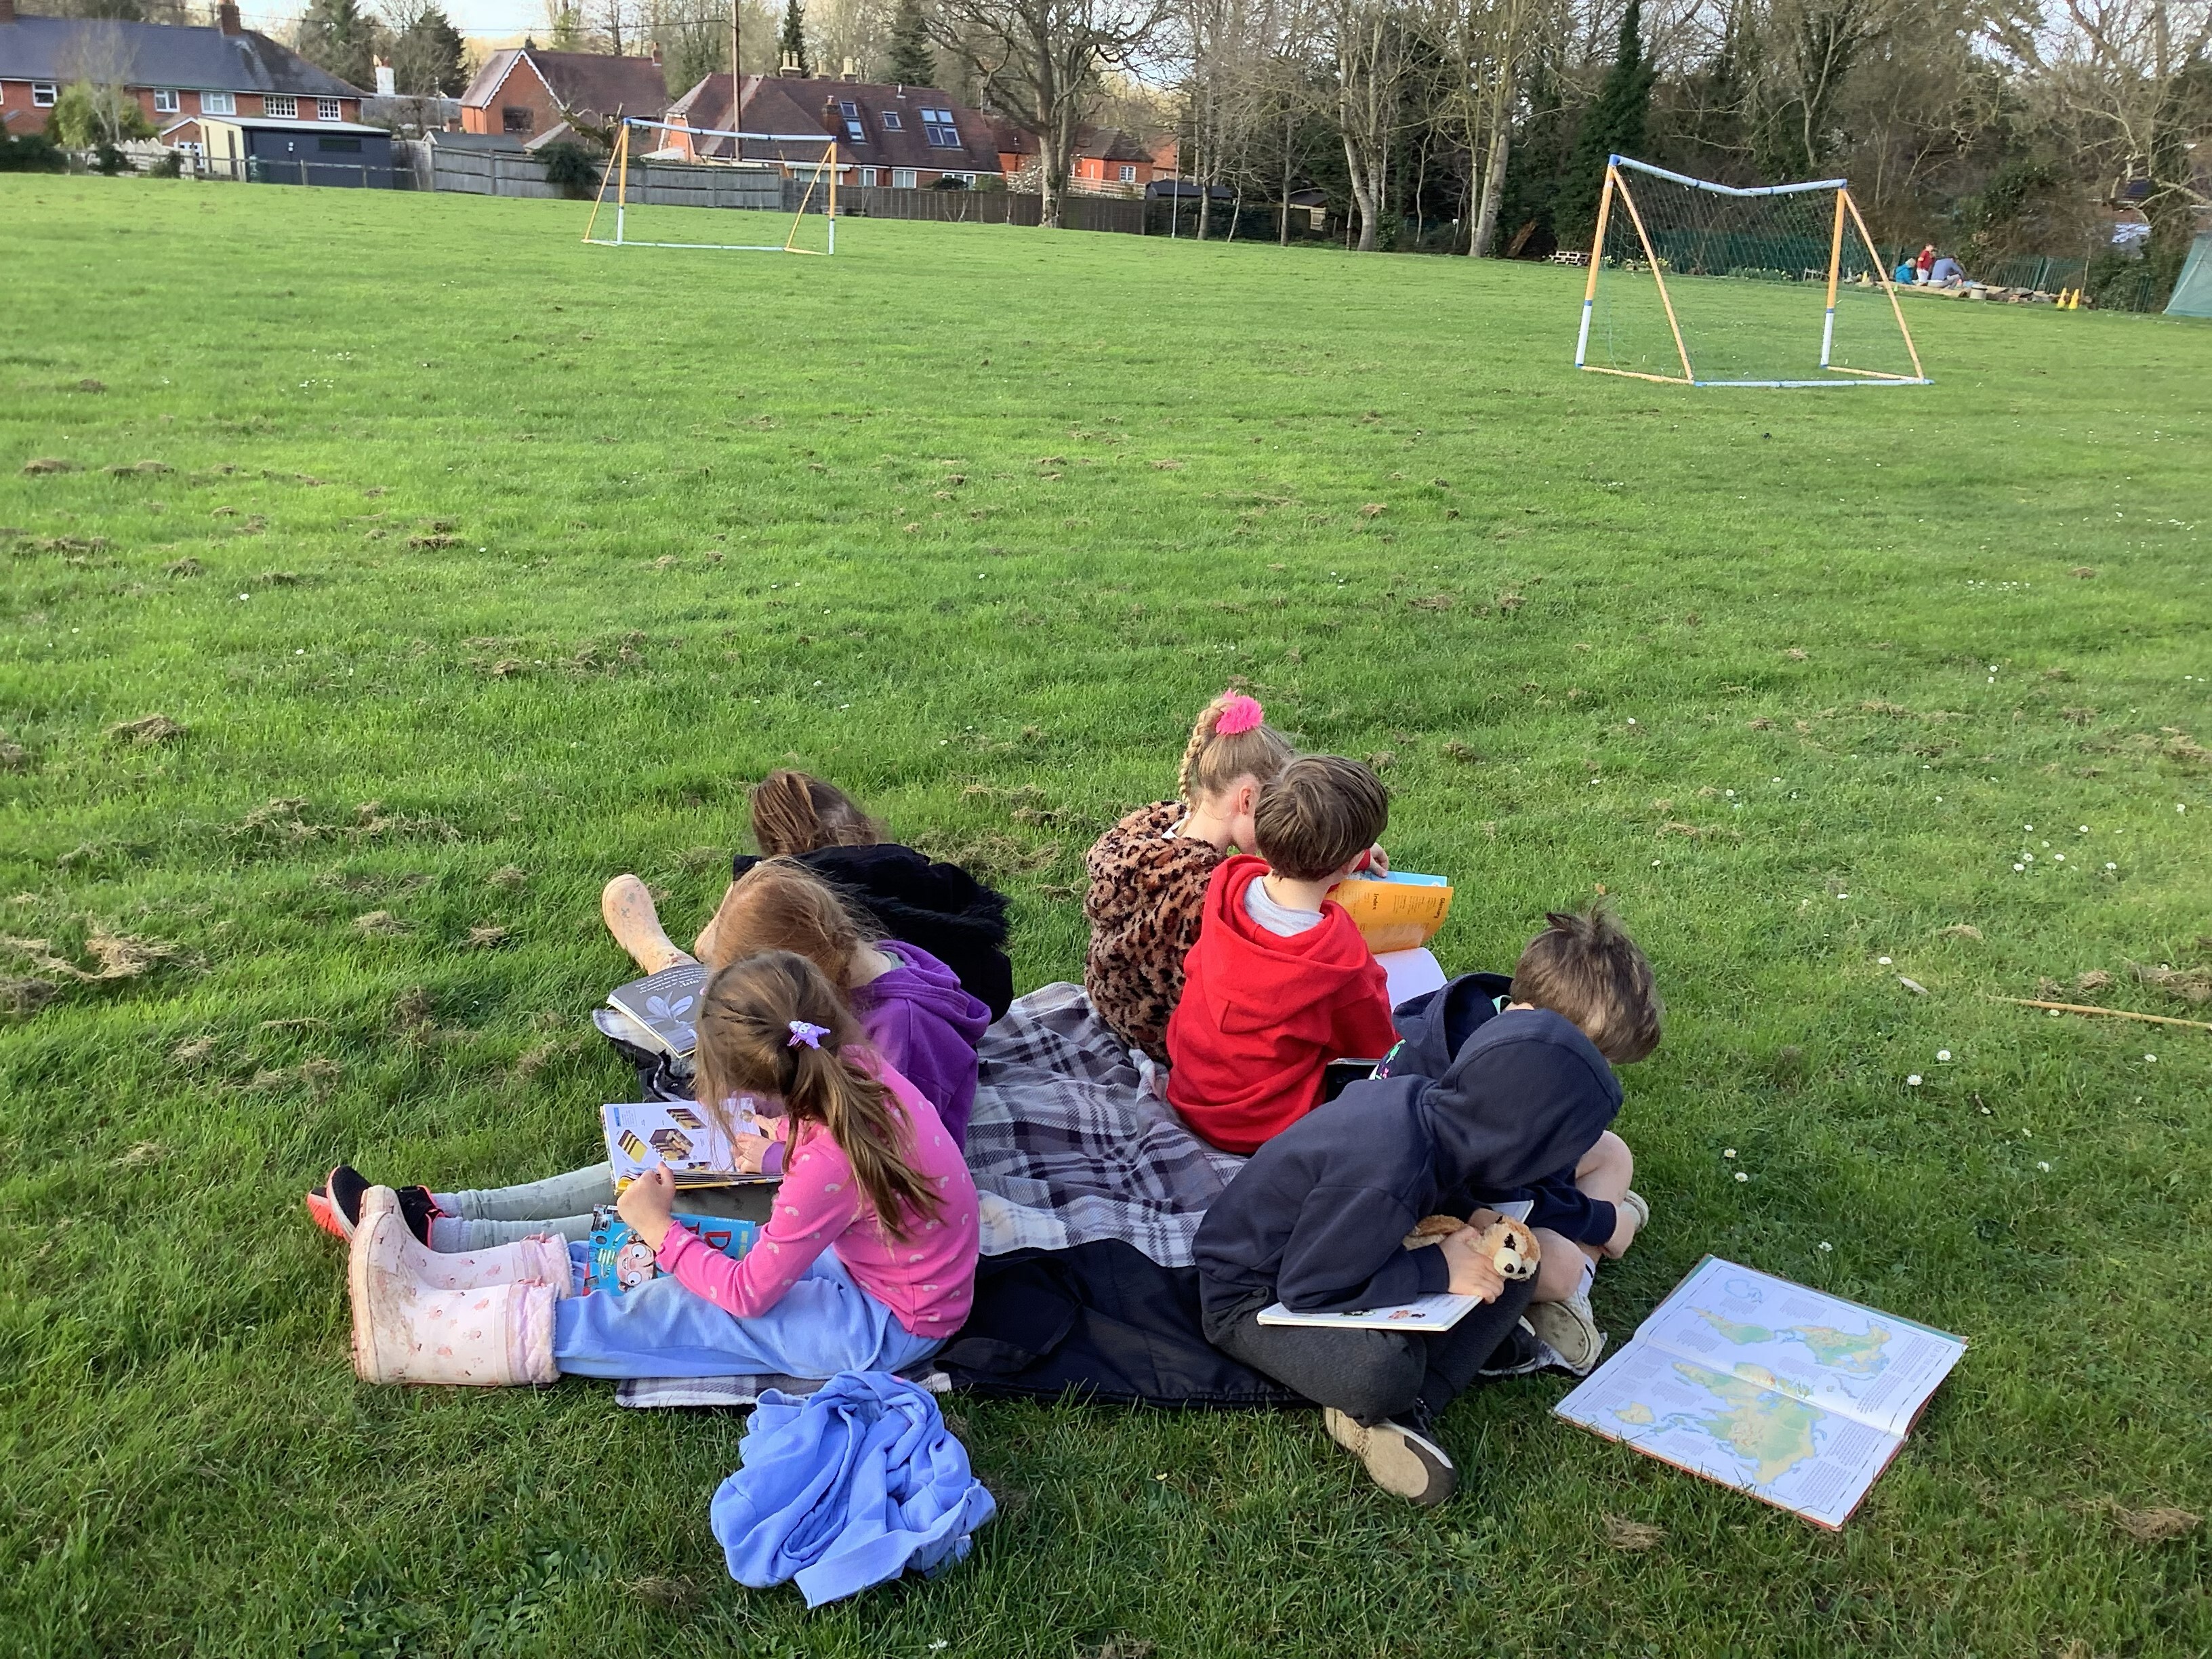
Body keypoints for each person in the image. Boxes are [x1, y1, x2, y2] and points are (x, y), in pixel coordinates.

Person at [346, 950, 981, 1387]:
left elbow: (748, 1295)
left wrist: (658, 1228)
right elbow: (844, 1169)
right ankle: (452, 1274)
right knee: (673, 1251)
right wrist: (776, 1149)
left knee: (673, 1310)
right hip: (885, 1278)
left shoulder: (826, 1163)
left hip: (886, 1326)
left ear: (751, 1084)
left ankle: (418, 1336)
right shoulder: (855, 1067)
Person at [306, 859, 989, 1249]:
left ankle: (448, 1239)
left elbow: (881, 1157)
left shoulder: (902, 1027)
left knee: (664, 1202)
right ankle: (443, 1208)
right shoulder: (865, 966)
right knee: (657, 1156)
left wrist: (775, 1149)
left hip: (845, 1196)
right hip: (795, 1145)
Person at [1191, 925, 1634, 1504]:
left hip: (1352, 1248)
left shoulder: (1441, 1123)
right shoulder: (1386, 1172)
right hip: (1258, 1294)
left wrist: (1474, 1223)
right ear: (1513, 1145)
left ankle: (1412, 1406)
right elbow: (1307, 1288)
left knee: (1512, 1265)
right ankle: (1393, 1399)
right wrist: (1439, 1271)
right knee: (1380, 1375)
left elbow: (1405, 1217)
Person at [1372, 910, 1660, 1374]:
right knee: (1562, 1265)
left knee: (1612, 1152)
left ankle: (1567, 1298)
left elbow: (1539, 1172)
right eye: (1591, 1058)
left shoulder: (1505, 1036)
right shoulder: (1496, 1083)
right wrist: (1602, 1222)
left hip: (1480, 1189)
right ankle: (1563, 1291)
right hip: (1425, 1218)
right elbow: (1508, 1194)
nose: (1597, 1075)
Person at [604, 769, 1015, 1021]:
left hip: (846, 1036)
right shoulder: (918, 871)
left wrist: (750, 880)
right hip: (964, 1016)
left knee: (714, 988)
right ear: (862, 825)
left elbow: (713, 950)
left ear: (775, 849)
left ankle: (659, 953)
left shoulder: (786, 891)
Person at [1166, 755, 1398, 1154]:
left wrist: (1351, 856)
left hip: (1192, 1095)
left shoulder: (1227, 886)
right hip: (1269, 1129)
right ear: (1345, 863)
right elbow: (1375, 1051)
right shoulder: (1339, 959)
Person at [1082, 691, 1300, 1064]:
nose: (1279, 828)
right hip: (1165, 1039)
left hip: (1113, 1005)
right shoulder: (1209, 889)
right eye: (1276, 812)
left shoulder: (1154, 835)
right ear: (1247, 800)